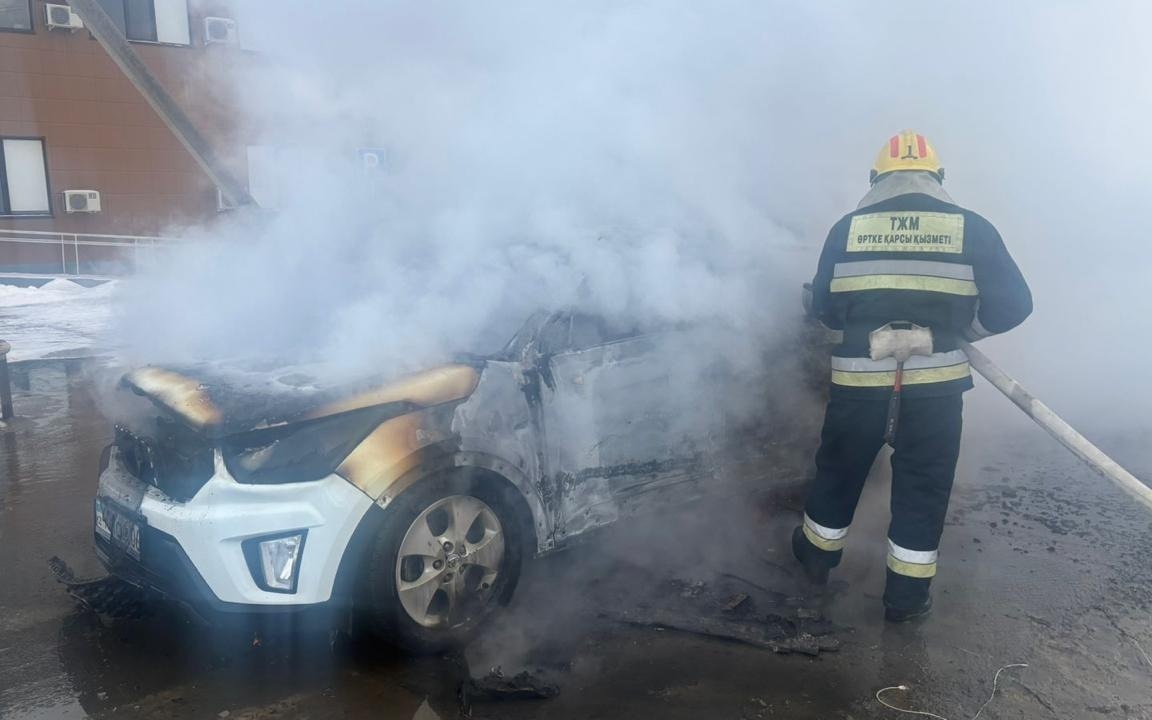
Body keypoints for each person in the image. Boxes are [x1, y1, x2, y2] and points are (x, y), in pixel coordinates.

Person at [795, 130, 1033, 622]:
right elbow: (1015, 305)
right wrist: (962, 328)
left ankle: (815, 561)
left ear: (875, 179)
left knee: (838, 473)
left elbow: (825, 311)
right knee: (923, 488)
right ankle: (905, 601)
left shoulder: (848, 229)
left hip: (859, 387)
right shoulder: (973, 230)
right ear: (938, 179)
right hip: (936, 392)